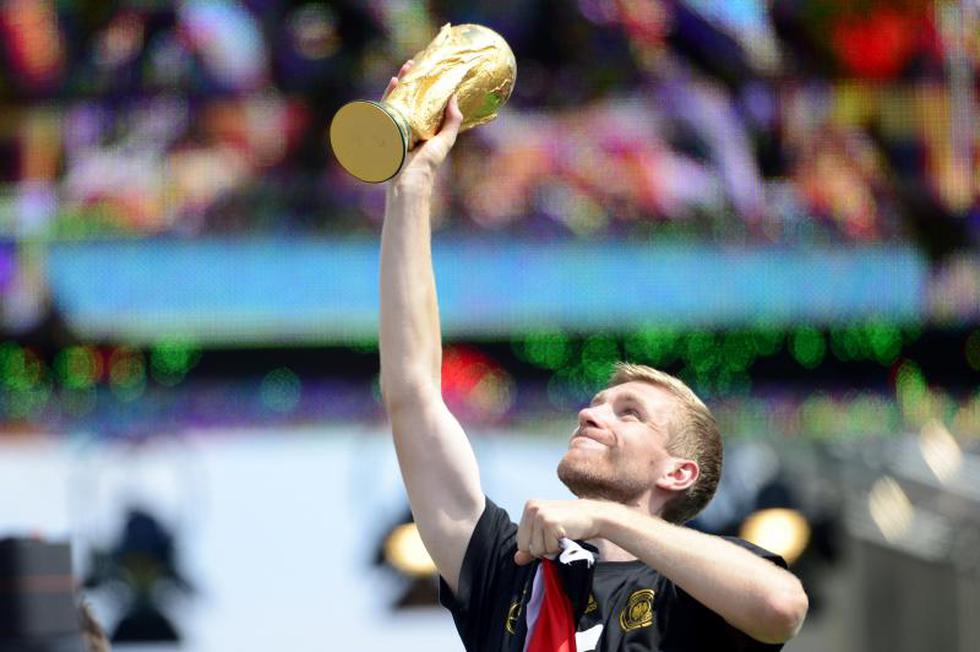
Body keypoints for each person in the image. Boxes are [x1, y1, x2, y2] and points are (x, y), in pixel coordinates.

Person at [378, 61, 809, 651]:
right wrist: (411, 185)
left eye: (628, 412)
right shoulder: (509, 569)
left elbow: (781, 607)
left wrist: (608, 520)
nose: (591, 414)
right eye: (598, 403)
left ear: (677, 473)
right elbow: (413, 392)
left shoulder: (695, 588)